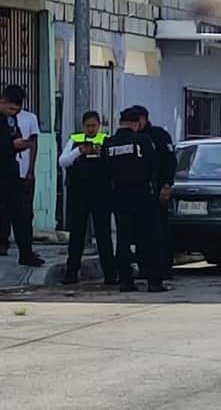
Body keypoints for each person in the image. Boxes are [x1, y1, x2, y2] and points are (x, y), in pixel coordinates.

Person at [0, 88, 42, 272]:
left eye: (16, 110)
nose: (13, 113)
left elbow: (15, 137)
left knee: (20, 213)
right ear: (2, 101)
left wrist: (22, 144)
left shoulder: (11, 119)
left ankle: (26, 253)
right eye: (11, 109)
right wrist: (10, 145)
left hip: (12, 170)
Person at [104, 107, 166, 293]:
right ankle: (154, 282)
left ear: (120, 123)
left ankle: (125, 281)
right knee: (149, 238)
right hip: (141, 194)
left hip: (118, 195)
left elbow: (105, 171)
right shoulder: (143, 140)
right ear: (136, 124)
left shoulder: (109, 143)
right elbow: (154, 165)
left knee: (123, 239)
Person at [59, 110, 116, 285]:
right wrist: (79, 151)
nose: (91, 129)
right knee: (77, 234)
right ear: (83, 126)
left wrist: (101, 153)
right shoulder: (75, 140)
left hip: (101, 194)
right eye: (88, 126)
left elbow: (113, 165)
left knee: (103, 234)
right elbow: (63, 161)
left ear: (99, 126)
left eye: (94, 125)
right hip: (79, 194)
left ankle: (110, 274)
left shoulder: (106, 141)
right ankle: (71, 273)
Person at [130, 105, 177, 278]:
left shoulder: (159, 135)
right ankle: (145, 268)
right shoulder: (132, 137)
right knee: (140, 232)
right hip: (139, 192)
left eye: (137, 120)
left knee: (159, 230)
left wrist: (167, 185)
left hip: (158, 190)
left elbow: (170, 161)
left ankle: (164, 268)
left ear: (144, 119)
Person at [0, 86, 39, 257]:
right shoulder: (0, 118)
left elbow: (33, 144)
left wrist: (31, 170)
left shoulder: (30, 118)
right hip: (5, 172)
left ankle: (26, 248)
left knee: (25, 212)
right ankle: (2, 243)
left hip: (23, 171)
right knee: (3, 210)